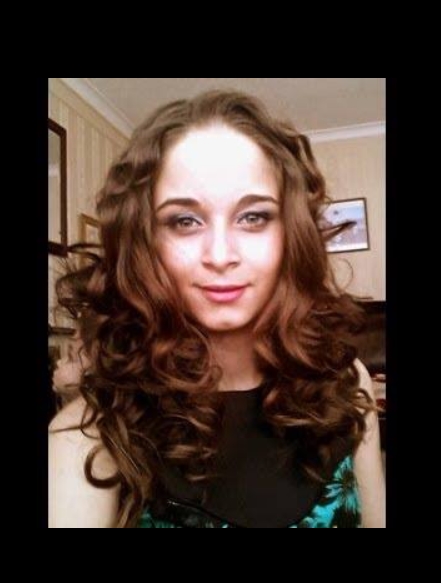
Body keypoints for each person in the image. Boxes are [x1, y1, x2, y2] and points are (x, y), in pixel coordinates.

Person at [49, 90, 385, 528]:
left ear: (291, 234)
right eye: (184, 221)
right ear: (146, 243)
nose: (221, 255)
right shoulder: (89, 434)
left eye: (253, 217)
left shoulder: (347, 382)